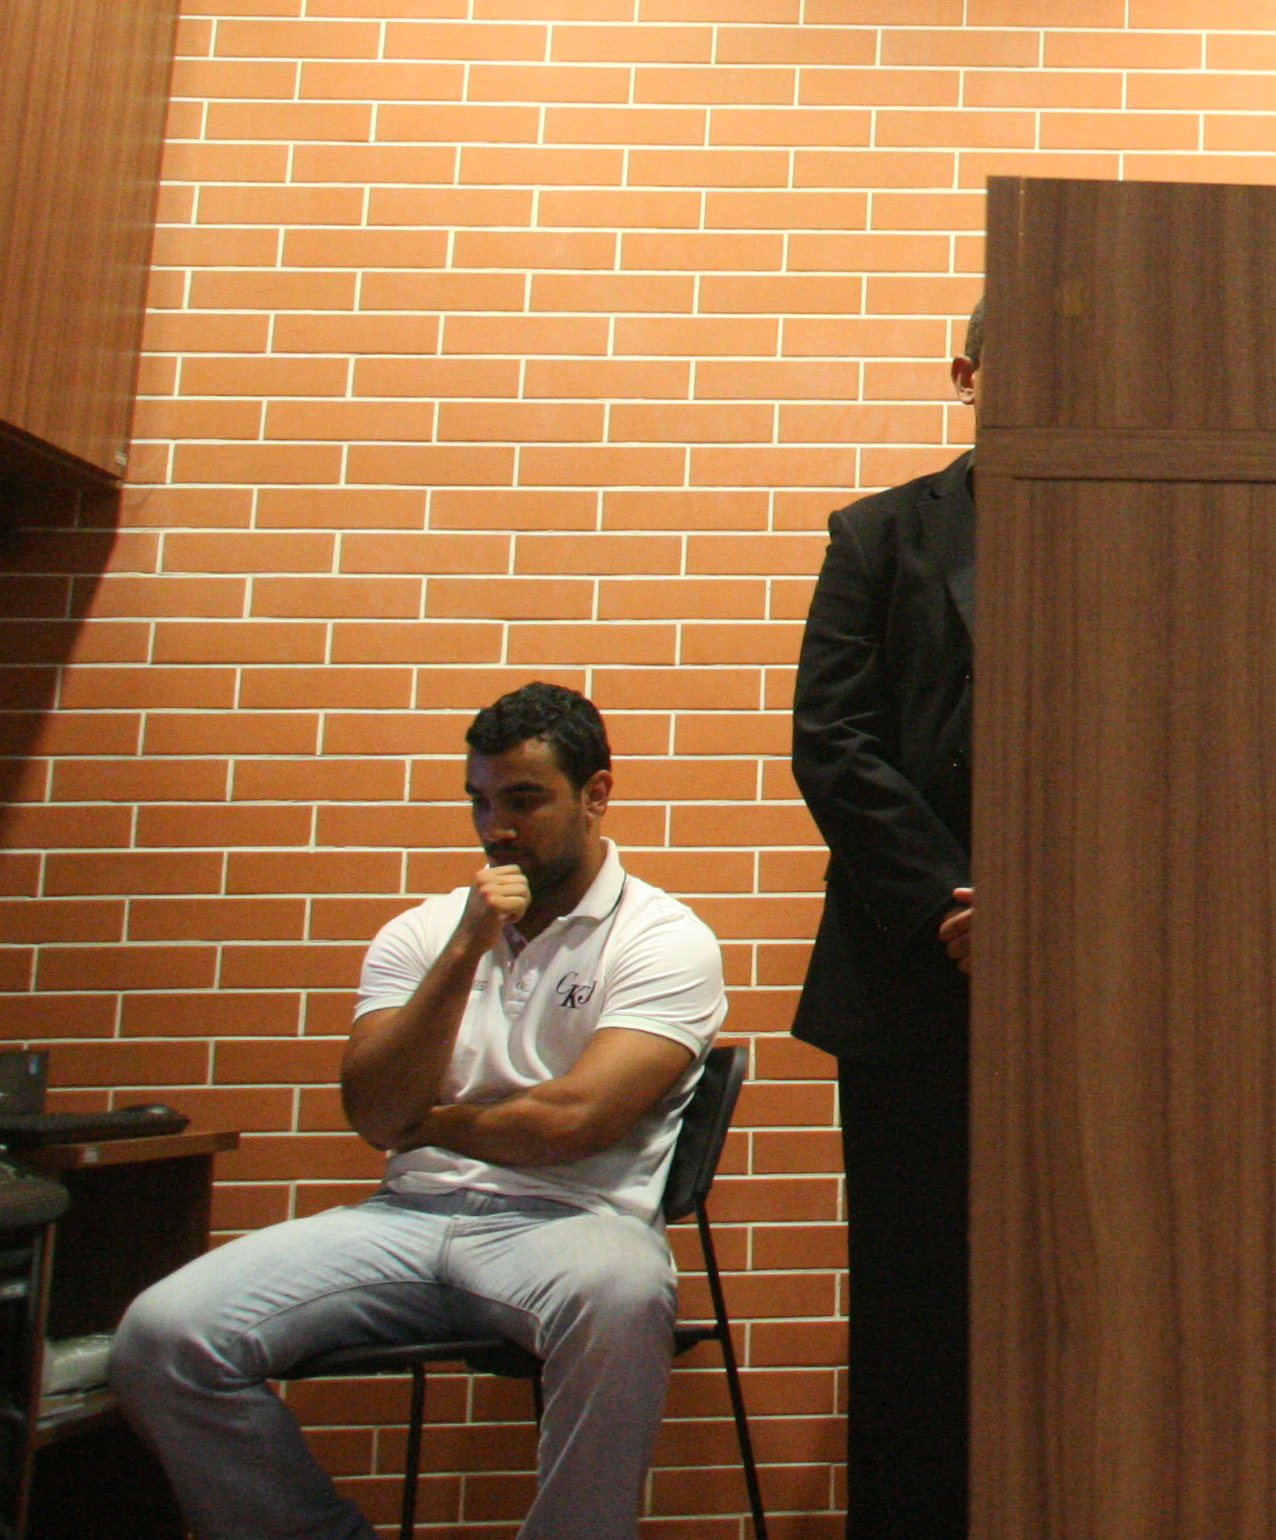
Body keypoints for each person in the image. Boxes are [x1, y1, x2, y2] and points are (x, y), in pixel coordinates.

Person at [114, 682, 727, 1540]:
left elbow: (573, 1123)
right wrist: (466, 947)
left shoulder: (665, 938)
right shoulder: (424, 931)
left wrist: (427, 1122)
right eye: (480, 801)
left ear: (596, 794)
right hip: (407, 1218)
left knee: (625, 1294)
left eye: (524, 800)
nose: (496, 828)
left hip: (573, 1221)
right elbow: (374, 1110)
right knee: (161, 1336)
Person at [789, 308, 978, 1540]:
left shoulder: (1140, 525)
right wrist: (954, 904)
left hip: (1107, 978)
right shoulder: (879, 534)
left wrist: (1064, 914)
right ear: (967, 374)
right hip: (917, 983)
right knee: (916, 1316)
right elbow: (834, 743)